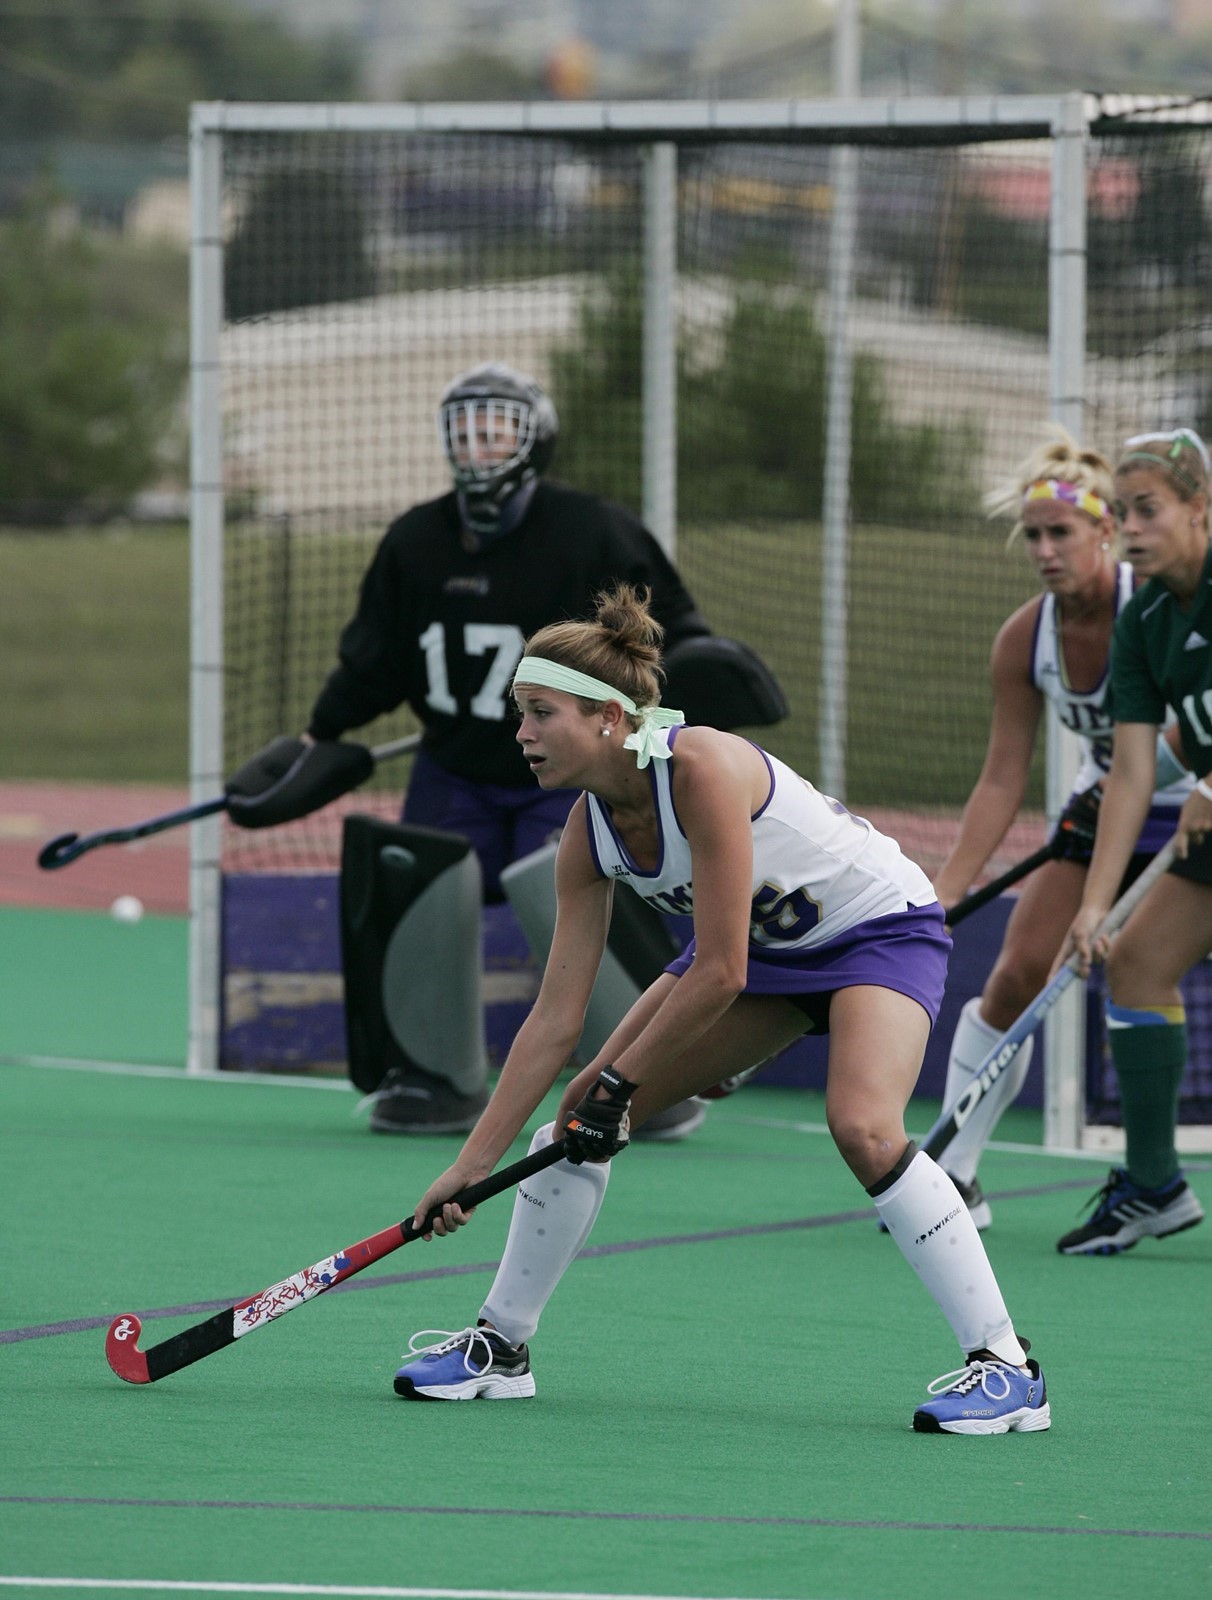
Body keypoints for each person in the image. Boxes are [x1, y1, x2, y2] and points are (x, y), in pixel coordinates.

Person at [390, 584, 1051, 1435]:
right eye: (519, 714)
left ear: (607, 720)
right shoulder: (586, 834)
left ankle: (1006, 1367)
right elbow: (555, 1019)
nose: (521, 734)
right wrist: (471, 1166)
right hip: (764, 957)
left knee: (864, 1127)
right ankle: (502, 1347)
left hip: (876, 934)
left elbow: (722, 968)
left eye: (539, 712)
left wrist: (622, 1087)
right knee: (564, 1130)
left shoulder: (697, 768)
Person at [304, 362, 714, 1137]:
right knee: (415, 883)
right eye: (464, 429)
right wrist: (319, 733)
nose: (478, 446)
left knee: (562, 896)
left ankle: (649, 1080)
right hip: (455, 765)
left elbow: (673, 634)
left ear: (534, 440)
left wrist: (688, 687)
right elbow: (375, 660)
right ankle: (432, 1076)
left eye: (496, 429)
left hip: (563, 774)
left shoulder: (594, 530)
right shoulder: (414, 540)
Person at [929, 428, 1191, 1230]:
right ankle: (952, 1176)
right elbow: (1003, 775)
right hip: (1100, 813)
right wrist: (944, 890)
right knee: (1015, 974)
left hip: (1187, 808)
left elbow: (1190, 726)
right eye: (1033, 535)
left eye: (1061, 532)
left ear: (1106, 531)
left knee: (1144, 969)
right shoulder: (1025, 637)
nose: (1044, 550)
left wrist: (1123, 782)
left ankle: (1155, 1180)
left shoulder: (1153, 607)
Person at [1053, 427, 1212, 1256]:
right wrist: (1094, 906)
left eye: (1149, 510)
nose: (1133, 528)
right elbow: (1133, 772)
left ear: (1201, 509)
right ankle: (1154, 1186)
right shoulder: (1144, 615)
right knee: (1138, 963)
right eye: (1124, 512)